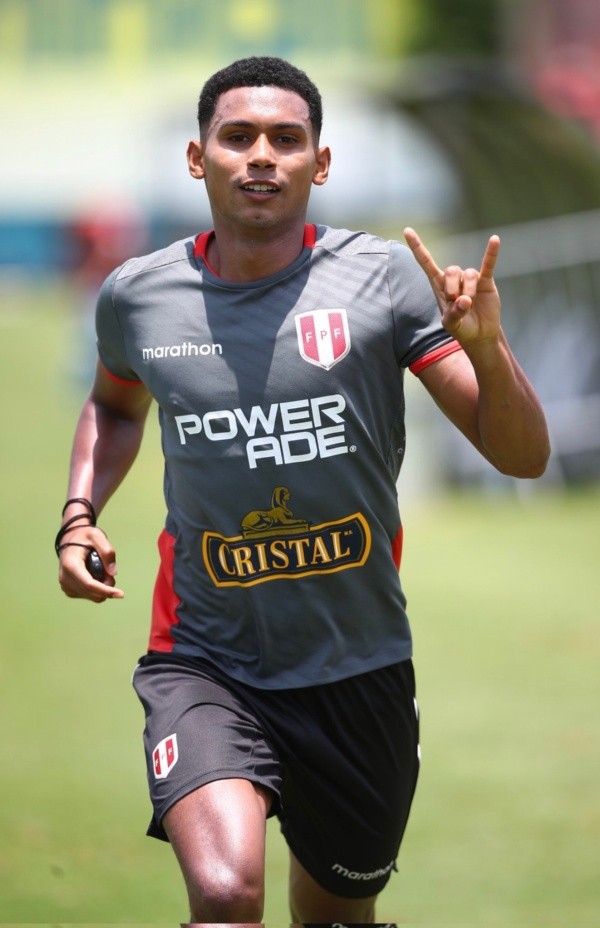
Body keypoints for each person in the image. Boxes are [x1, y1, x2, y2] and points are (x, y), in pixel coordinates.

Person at [56, 56, 550, 924]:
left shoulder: (382, 279)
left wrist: (486, 347)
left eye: (286, 139)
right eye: (238, 136)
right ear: (197, 157)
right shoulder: (138, 297)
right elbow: (114, 405)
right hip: (203, 657)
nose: (261, 155)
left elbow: (521, 456)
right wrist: (77, 515)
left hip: (358, 668)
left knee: (335, 917)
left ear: (320, 164)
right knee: (224, 892)